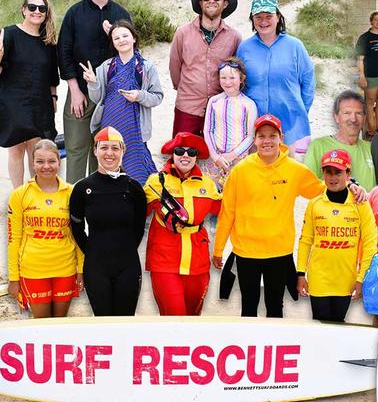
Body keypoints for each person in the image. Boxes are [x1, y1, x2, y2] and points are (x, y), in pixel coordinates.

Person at [212, 115, 322, 318]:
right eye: (261, 136)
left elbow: (322, 190)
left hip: (279, 252)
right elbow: (228, 212)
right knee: (249, 306)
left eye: (273, 135)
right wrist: (218, 248)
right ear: (255, 140)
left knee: (275, 307)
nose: (267, 141)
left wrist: (351, 186)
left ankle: (273, 348)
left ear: (281, 138)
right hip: (246, 252)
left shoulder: (295, 170)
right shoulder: (240, 171)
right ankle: (250, 348)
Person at [58, 0, 131, 183]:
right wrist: (75, 90)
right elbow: (64, 52)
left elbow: (131, 53)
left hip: (111, 95)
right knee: (77, 148)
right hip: (79, 91)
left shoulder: (121, 14)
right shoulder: (74, 13)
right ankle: (72, 207)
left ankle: (98, 205)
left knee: (103, 149)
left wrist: (114, 36)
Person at [69, 127, 147, 316]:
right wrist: (94, 251)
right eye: (104, 148)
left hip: (127, 265)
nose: (109, 153)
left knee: (125, 323)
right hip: (96, 267)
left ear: (123, 151)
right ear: (95, 150)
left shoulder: (133, 188)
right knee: (102, 324)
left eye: (115, 148)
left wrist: (123, 248)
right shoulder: (82, 188)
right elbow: (77, 229)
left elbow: (138, 229)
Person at [144, 133, 221, 316]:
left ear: (197, 156)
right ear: (172, 154)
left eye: (191, 152)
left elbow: (226, 210)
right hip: (164, 261)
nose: (185, 155)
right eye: (180, 151)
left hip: (198, 262)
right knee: (174, 317)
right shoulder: (156, 182)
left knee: (193, 318)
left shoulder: (208, 184)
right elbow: (134, 213)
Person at [297, 149, 378, 322]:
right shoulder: (315, 204)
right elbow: (305, 241)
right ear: (323, 173)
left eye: (338, 172)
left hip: (345, 281)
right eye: (328, 172)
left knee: (338, 327)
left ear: (348, 173)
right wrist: (300, 274)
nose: (333, 177)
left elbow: (370, 243)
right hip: (319, 280)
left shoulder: (360, 203)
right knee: (319, 327)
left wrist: (361, 278)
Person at [7, 139, 83, 318]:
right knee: (41, 326)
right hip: (33, 270)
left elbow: (79, 234)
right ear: (32, 163)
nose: (46, 166)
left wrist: (81, 269)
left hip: (65, 268)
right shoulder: (19, 195)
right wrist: (13, 278)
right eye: (40, 161)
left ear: (59, 161)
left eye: (51, 161)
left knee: (59, 325)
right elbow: (13, 238)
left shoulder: (72, 193)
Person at [83, 19, 163, 185]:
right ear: (112, 43)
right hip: (110, 122)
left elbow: (157, 96)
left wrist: (139, 96)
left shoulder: (146, 67)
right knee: (110, 163)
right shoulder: (106, 67)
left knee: (137, 168)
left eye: (125, 35)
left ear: (134, 38)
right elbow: (98, 98)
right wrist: (92, 82)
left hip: (135, 126)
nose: (122, 40)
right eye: (116, 38)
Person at [237, 0, 314, 154]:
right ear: (252, 19)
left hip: (292, 127)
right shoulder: (244, 48)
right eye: (258, 17)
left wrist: (299, 112)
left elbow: (308, 82)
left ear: (278, 17)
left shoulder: (295, 46)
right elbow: (240, 84)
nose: (263, 21)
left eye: (268, 16)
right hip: (255, 126)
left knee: (290, 174)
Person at [0, 0, 59, 188]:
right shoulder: (8, 34)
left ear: (46, 12)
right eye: (32, 7)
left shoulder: (48, 40)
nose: (37, 11)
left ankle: (35, 195)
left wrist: (53, 97)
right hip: (12, 102)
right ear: (23, 10)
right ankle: (19, 196)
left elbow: (52, 74)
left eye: (41, 8)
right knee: (16, 150)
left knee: (37, 151)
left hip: (40, 102)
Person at [169, 0, 240, 137]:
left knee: (215, 157)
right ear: (200, 3)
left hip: (220, 109)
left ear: (225, 3)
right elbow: (175, 66)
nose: (211, 0)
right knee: (182, 153)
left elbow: (238, 70)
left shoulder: (234, 37)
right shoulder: (183, 33)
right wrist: (185, 89)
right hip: (187, 107)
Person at [202, 56, 257, 191]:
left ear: (241, 79)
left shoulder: (248, 104)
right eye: (223, 78)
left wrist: (231, 155)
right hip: (216, 157)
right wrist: (215, 156)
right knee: (212, 191)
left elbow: (251, 136)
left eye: (232, 78)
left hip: (238, 158)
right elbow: (208, 130)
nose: (228, 82)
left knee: (235, 192)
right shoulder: (214, 101)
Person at [304, 90, 375, 190]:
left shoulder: (372, 148)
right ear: (336, 117)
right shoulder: (318, 146)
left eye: (358, 113)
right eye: (347, 113)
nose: (353, 119)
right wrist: (346, 186)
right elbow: (308, 184)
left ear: (364, 118)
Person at [356, 11, 378, 136]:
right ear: (371, 21)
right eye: (376, 20)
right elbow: (360, 59)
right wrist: (362, 76)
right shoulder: (364, 38)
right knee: (370, 101)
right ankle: (371, 129)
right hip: (370, 75)